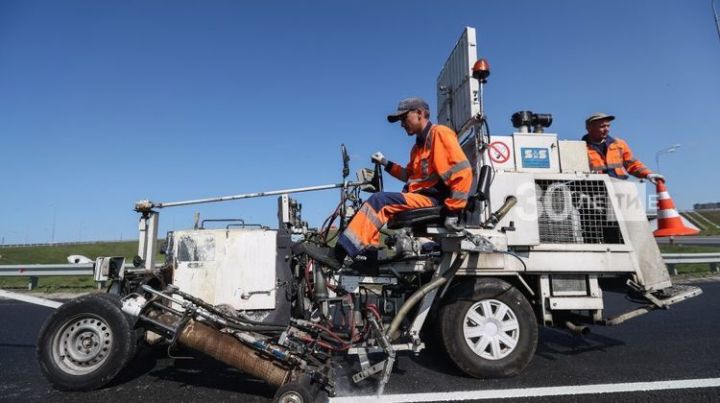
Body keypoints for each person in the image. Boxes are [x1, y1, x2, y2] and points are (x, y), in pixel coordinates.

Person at [305, 97, 472, 269]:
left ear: (420, 113)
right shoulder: (417, 147)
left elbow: (463, 173)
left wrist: (453, 211)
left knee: (379, 201)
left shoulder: (440, 134)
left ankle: (338, 255)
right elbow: (408, 174)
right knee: (369, 209)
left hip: (433, 200)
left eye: (404, 118)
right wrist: (385, 162)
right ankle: (369, 257)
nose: (401, 124)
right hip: (419, 197)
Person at [582, 112, 664, 184]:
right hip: (595, 192)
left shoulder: (619, 144)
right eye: (602, 126)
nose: (607, 129)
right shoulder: (580, 148)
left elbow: (632, 164)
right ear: (589, 128)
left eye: (608, 126)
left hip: (620, 188)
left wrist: (648, 174)